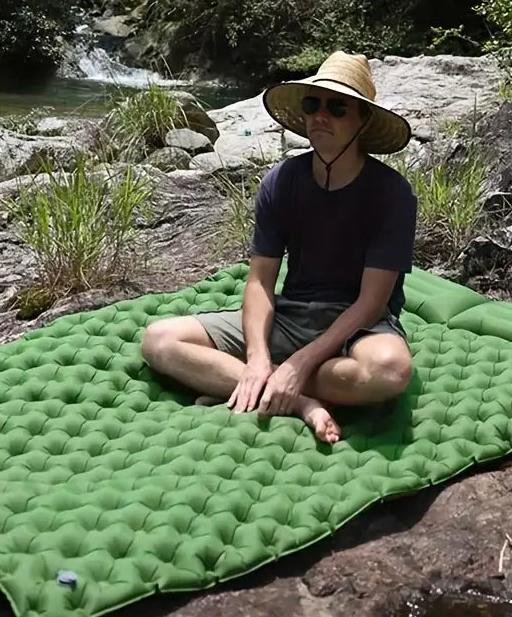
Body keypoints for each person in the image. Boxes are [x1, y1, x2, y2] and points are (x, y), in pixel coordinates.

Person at [141, 50, 417, 444]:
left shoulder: (392, 194)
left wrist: (302, 363)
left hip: (359, 327)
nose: (321, 116)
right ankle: (300, 400)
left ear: (363, 121)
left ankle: (261, 381)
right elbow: (259, 282)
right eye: (312, 104)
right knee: (159, 339)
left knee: (390, 371)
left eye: (337, 108)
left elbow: (371, 303)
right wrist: (256, 355)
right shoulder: (282, 182)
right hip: (290, 317)